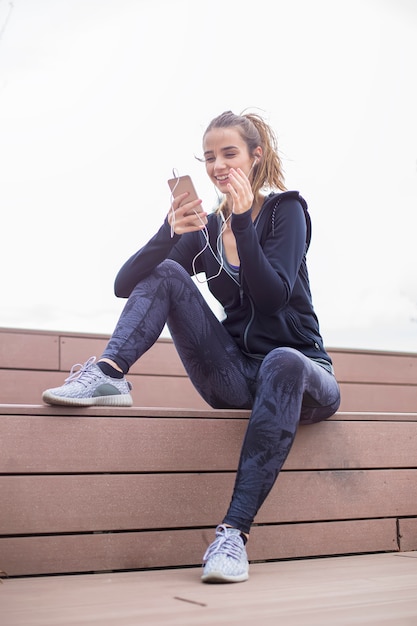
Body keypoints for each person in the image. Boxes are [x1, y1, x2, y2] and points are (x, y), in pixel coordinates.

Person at [42, 110, 341, 584]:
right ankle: (108, 375)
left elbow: (272, 297)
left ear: (255, 156)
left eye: (229, 154)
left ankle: (233, 536)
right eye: (209, 157)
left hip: (302, 376)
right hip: (237, 377)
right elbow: (127, 285)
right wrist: (168, 232)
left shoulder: (287, 210)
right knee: (166, 272)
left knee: (284, 360)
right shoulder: (205, 230)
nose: (218, 165)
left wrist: (243, 222)